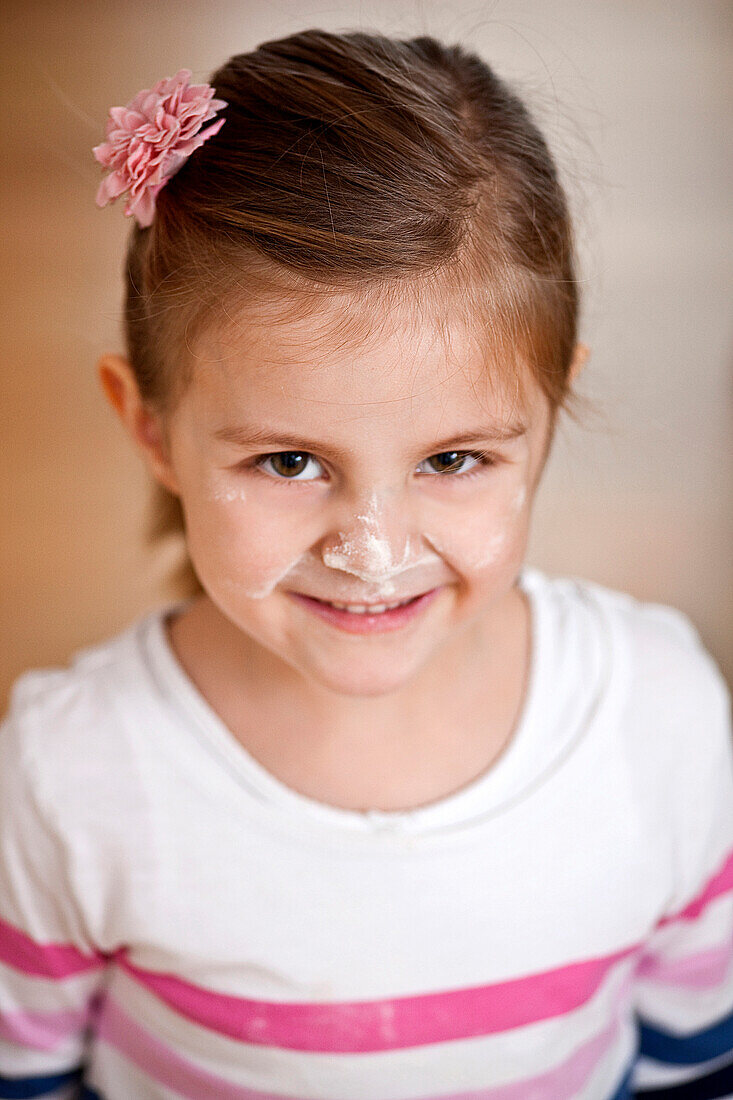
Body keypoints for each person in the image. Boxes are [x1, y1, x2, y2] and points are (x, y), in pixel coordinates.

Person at [1, 29, 731, 1100]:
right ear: (150, 426)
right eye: (289, 460)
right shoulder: (68, 781)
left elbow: (696, 1061)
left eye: (453, 458)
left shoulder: (660, 720)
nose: (373, 548)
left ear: (549, 414)